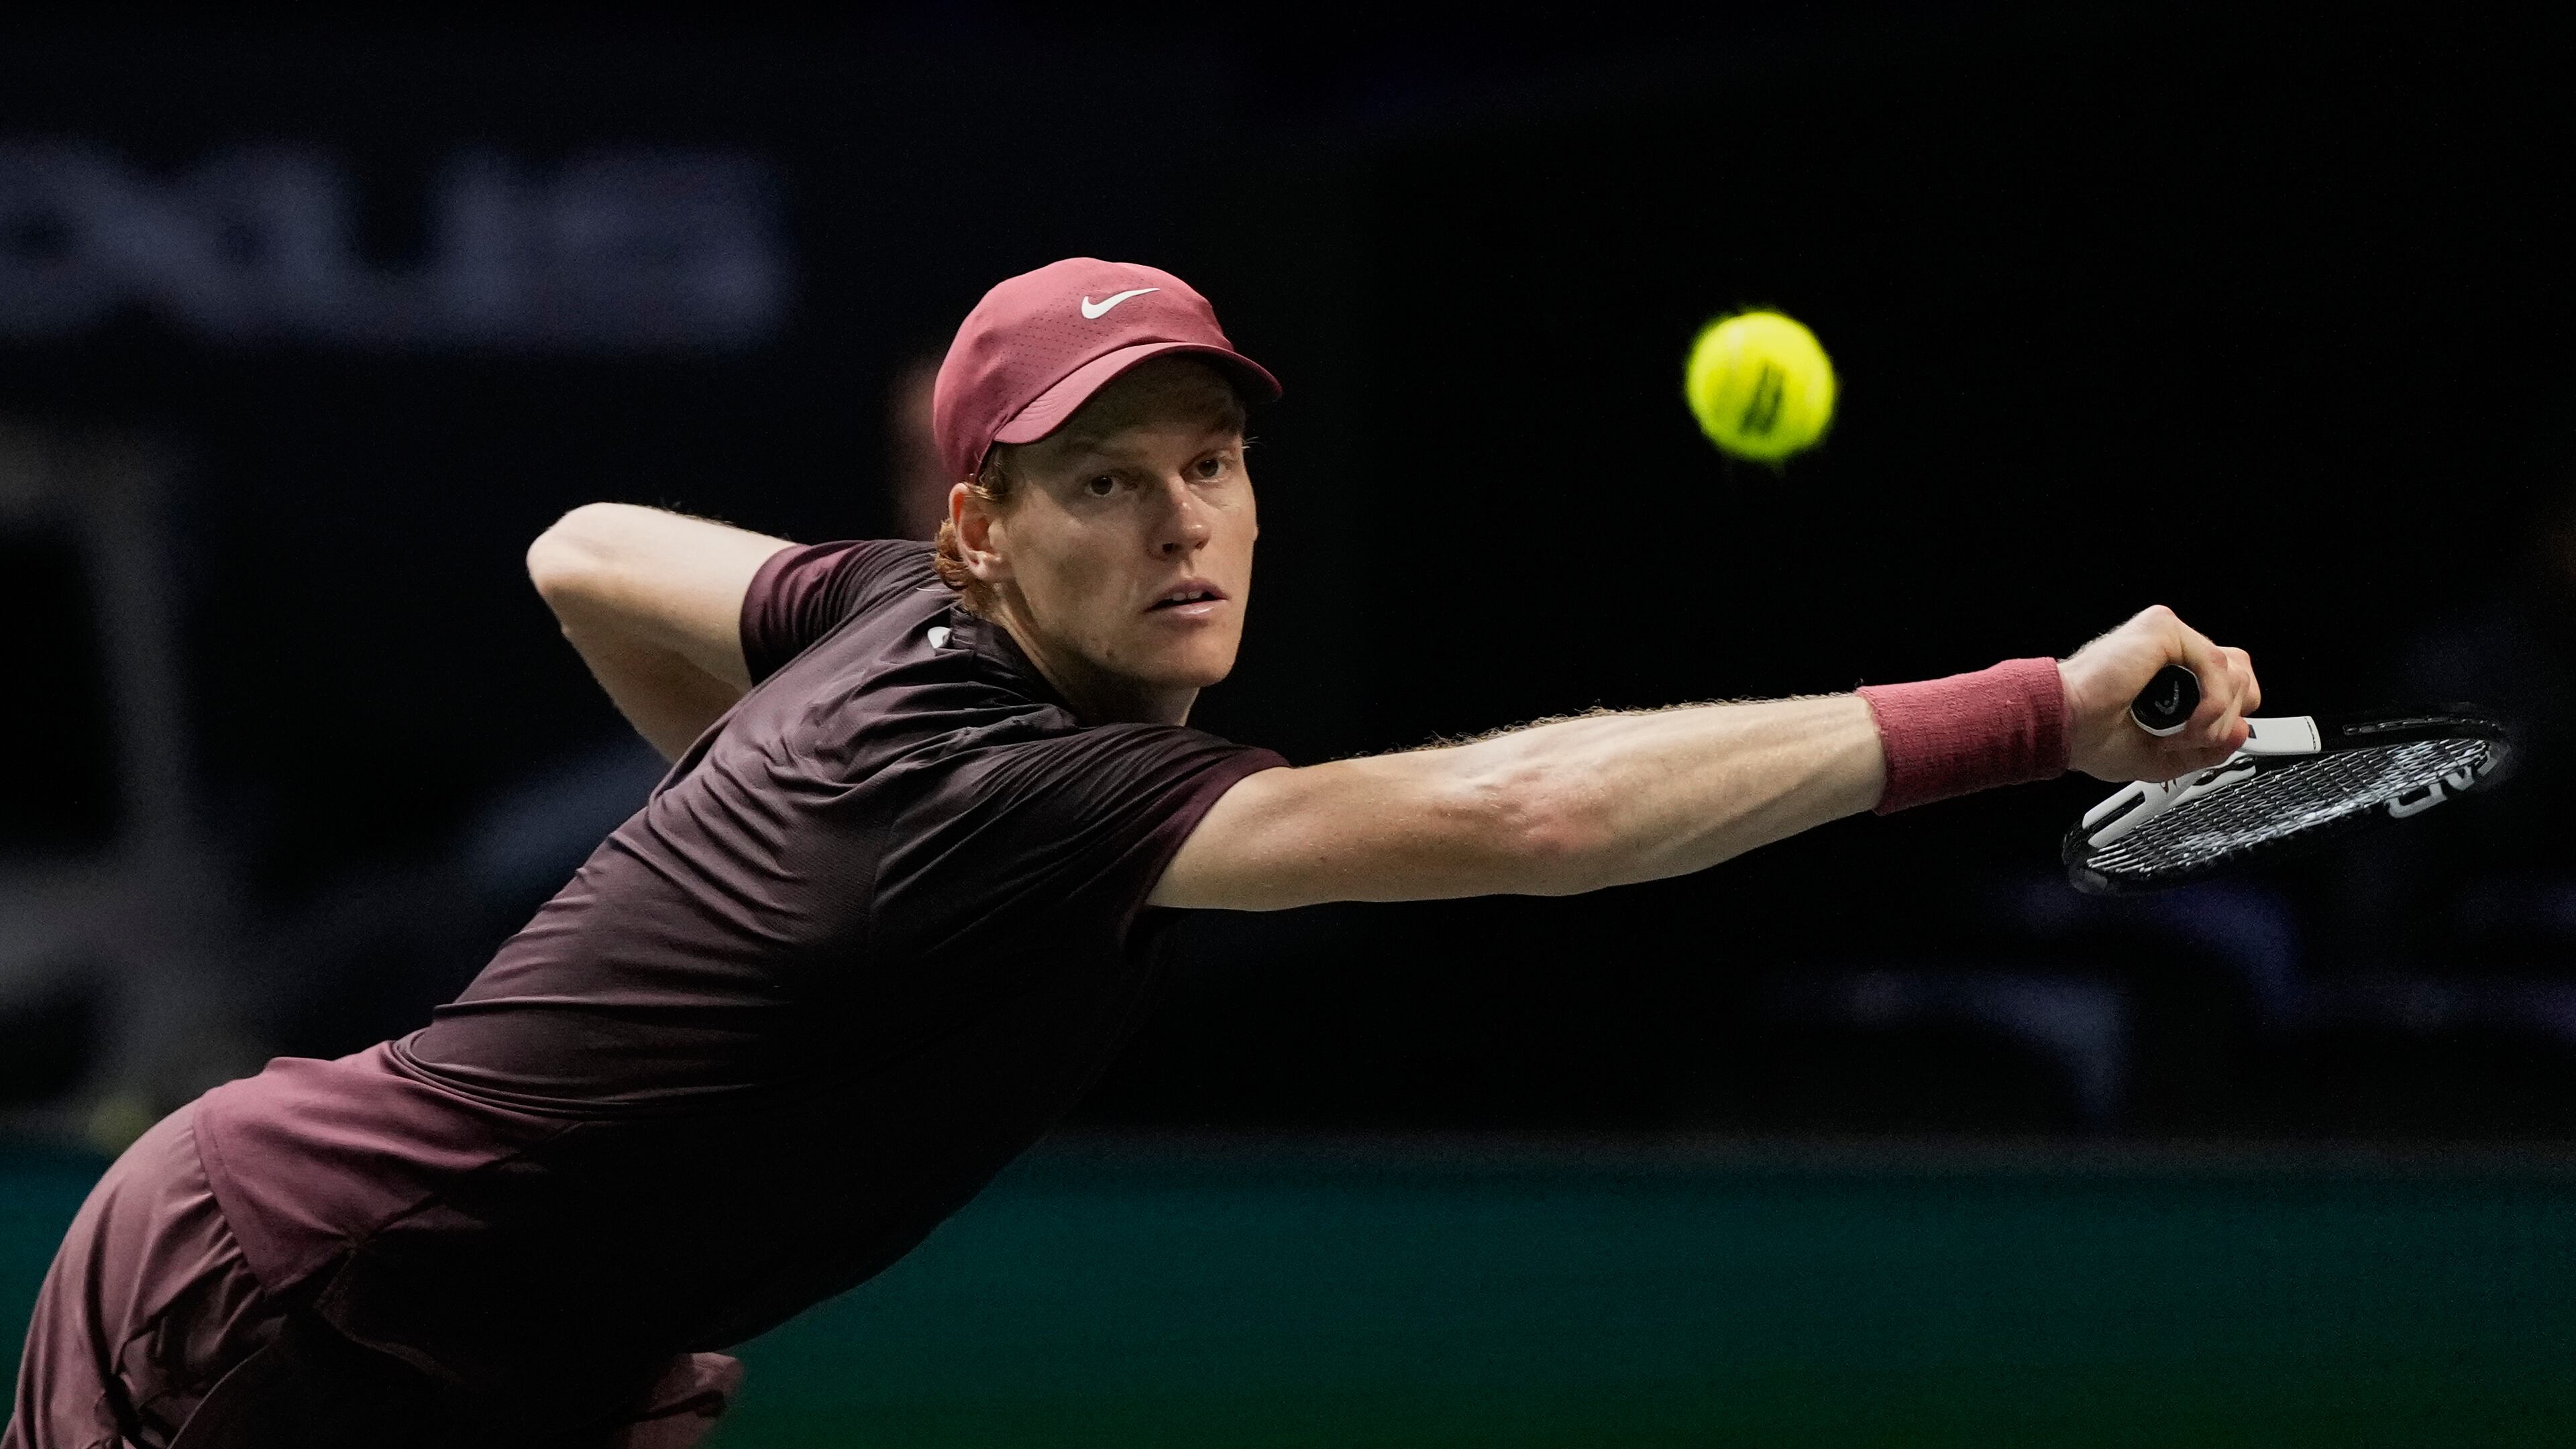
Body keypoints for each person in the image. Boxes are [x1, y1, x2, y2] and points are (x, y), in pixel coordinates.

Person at [3, 257, 2261, 1447]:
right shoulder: (1011, 783)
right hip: (295, 1304)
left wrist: (775, 871)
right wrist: (2032, 717)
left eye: (1211, 464)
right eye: (1107, 481)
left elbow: (585, 549)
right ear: (984, 526)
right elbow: (1531, 814)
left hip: (507, 1353)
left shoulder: (888, 615)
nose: (1184, 525)